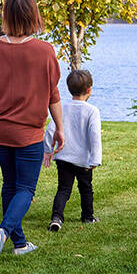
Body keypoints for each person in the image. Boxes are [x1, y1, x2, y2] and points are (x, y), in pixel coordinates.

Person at [0, 0, 63, 269]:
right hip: (29, 133)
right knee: (26, 189)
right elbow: (53, 93)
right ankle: (5, 232)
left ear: (6, 16)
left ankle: (20, 244)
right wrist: (59, 129)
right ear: (33, 16)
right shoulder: (45, 51)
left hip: (2, 131)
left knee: (9, 185)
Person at [44, 69, 103, 231]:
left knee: (63, 189)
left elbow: (50, 130)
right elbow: (94, 136)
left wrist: (48, 150)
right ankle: (87, 217)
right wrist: (95, 159)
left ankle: (56, 217)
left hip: (63, 157)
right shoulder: (92, 111)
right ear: (89, 89)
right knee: (86, 189)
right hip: (83, 160)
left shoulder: (61, 107)